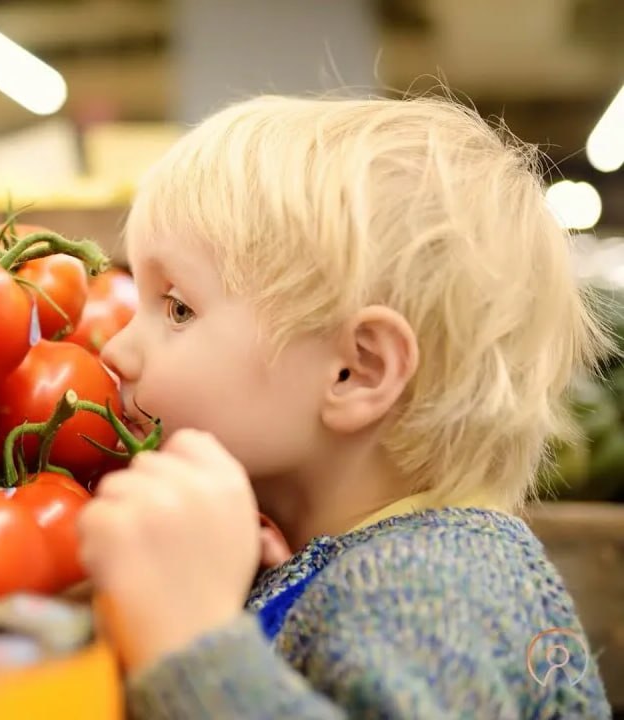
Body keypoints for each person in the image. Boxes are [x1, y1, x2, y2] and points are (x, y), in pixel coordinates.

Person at [77, 94, 613, 718]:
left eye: (177, 308)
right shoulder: (395, 564)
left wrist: (196, 644)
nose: (116, 348)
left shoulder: (427, 590)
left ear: (357, 371)